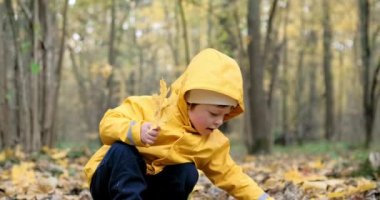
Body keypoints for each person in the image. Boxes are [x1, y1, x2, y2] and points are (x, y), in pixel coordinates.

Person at [84, 48, 273, 200]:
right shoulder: (151, 108)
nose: (219, 121)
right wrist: (135, 131)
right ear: (188, 102)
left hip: (149, 188)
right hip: (110, 184)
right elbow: (107, 125)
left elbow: (232, 176)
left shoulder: (211, 142)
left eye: (225, 115)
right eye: (214, 113)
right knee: (122, 151)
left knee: (187, 171)